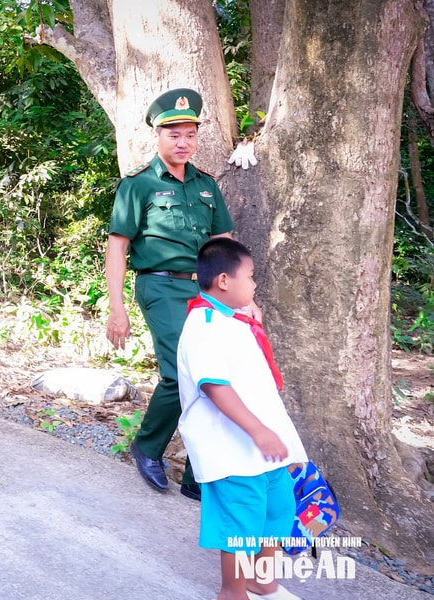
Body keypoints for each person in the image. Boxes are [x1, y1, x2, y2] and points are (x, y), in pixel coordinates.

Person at [106, 88, 259, 501]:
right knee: (180, 373)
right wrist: (116, 307)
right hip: (160, 285)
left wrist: (244, 299)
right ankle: (147, 447)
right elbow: (118, 246)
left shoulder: (206, 185)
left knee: (216, 375)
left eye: (189, 134)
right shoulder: (139, 185)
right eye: (173, 133)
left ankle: (199, 474)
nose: (182, 141)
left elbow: (223, 244)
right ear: (158, 136)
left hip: (207, 290)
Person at [177, 238, 307, 600]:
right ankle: (232, 593)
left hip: (261, 446)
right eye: (250, 277)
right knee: (241, 525)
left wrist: (270, 433)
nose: (254, 285)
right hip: (231, 447)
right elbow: (215, 386)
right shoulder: (203, 324)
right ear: (223, 280)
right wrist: (259, 431)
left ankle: (261, 581)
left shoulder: (232, 321)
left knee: (278, 510)